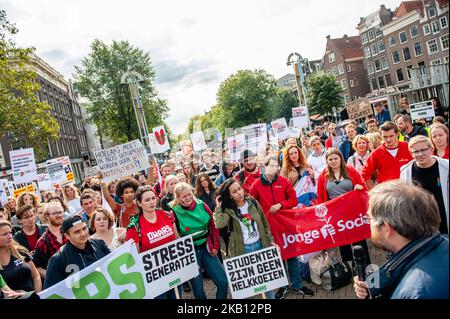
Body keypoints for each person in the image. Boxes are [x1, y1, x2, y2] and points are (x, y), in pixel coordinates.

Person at [354, 181, 448, 299]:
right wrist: (373, 289)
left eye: (370, 218)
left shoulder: (416, 292)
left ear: (387, 228)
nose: (368, 223)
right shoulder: (442, 243)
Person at [250, 156, 314, 299]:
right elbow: (252, 207)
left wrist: (280, 205)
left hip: (287, 225)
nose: (274, 168)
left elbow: (293, 200)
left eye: (276, 166)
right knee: (277, 257)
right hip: (270, 229)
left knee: (292, 255)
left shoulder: (283, 182)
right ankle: (283, 286)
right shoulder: (256, 185)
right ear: (264, 166)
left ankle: (297, 285)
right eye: (271, 165)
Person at [214, 178, 277, 299]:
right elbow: (219, 224)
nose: (239, 192)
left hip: (260, 246)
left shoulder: (253, 203)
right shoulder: (229, 210)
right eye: (234, 192)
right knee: (247, 289)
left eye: (239, 189)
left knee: (268, 284)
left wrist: (271, 241)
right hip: (242, 251)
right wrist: (218, 207)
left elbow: (265, 224)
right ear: (230, 196)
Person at [171, 182, 228, 299]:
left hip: (207, 247)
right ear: (178, 198)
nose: (188, 198)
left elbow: (213, 224)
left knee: (222, 282)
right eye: (184, 196)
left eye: (189, 194)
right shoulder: (174, 212)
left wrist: (216, 245)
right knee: (198, 289)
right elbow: (175, 237)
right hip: (190, 252)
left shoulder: (201, 205)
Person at [316, 148, 371, 269]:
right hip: (336, 215)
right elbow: (320, 197)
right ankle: (350, 268)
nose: (333, 161)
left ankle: (366, 266)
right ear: (327, 161)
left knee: (359, 240)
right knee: (343, 243)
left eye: (336, 158)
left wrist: (359, 187)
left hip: (353, 212)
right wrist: (323, 214)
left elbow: (363, 188)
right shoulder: (323, 176)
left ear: (341, 158)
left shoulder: (350, 170)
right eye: (330, 159)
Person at [126, 186, 181, 299]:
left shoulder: (167, 215)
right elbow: (135, 258)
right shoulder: (134, 227)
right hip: (154, 279)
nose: (152, 202)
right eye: (147, 200)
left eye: (153, 198)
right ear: (139, 203)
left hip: (173, 270)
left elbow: (177, 239)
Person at [44, 214, 111, 289]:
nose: (83, 233)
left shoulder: (100, 244)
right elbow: (51, 292)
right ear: (67, 236)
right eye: (77, 232)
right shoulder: (58, 259)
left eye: (84, 228)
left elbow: (113, 267)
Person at [400, 136, 448, 235]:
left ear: (431, 149)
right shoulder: (406, 171)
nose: (420, 154)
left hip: (444, 221)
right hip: (421, 225)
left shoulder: (446, 167)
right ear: (411, 153)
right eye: (416, 152)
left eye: (423, 150)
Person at [361, 121, 413, 190]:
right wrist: (373, 191)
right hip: (388, 194)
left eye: (391, 136)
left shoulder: (408, 147)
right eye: (385, 137)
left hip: (408, 191)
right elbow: (364, 174)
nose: (388, 139)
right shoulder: (376, 153)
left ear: (397, 134)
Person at [0, 221, 41, 293]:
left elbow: (36, 276)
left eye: (10, 233)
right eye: (4, 234)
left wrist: (38, 295)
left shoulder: (20, 251)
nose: (9, 236)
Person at [32, 202, 68, 280]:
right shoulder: (43, 242)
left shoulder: (69, 231)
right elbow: (37, 267)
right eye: (55, 213)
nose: (59, 215)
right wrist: (54, 277)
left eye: (60, 212)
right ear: (47, 216)